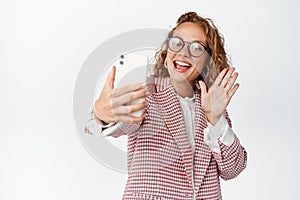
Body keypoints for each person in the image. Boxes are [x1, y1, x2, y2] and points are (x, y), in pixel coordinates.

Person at [87, 11, 247, 200]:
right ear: (167, 50)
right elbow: (125, 121)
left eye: (196, 48)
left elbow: (232, 170)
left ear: (207, 60)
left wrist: (216, 119)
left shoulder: (213, 106)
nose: (184, 53)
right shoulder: (147, 92)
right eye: (177, 43)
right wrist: (103, 114)